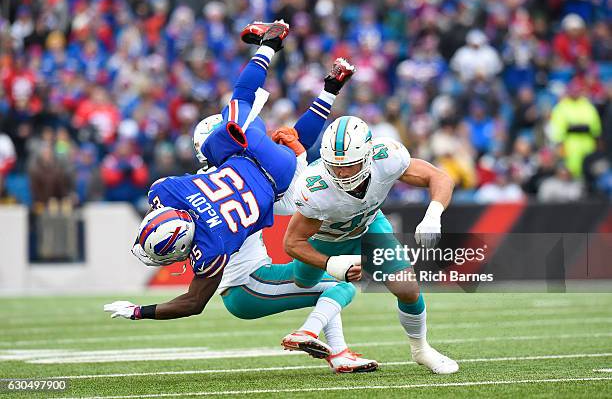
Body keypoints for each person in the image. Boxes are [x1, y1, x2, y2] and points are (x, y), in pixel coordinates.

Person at [104, 21, 376, 373]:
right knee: (339, 283)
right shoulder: (182, 189)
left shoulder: (206, 216)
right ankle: (275, 50)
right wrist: (323, 101)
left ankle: (338, 354)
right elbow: (300, 169)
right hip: (248, 282)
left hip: (248, 257)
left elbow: (193, 300)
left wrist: (140, 310)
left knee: (327, 272)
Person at [283, 116, 459, 374]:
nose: (341, 172)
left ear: (367, 156)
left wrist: (433, 214)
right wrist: (329, 263)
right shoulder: (315, 187)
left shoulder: (386, 157)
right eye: (335, 166)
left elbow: (439, 177)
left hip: (368, 228)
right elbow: (292, 242)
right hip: (325, 240)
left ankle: (421, 349)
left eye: (350, 165)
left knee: (408, 288)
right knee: (304, 283)